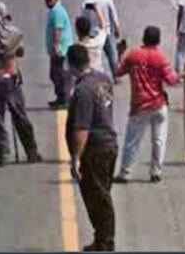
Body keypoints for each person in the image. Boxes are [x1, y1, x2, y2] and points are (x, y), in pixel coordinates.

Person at [66, 45, 118, 252]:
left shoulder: (83, 91)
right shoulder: (103, 79)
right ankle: (101, 238)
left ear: (71, 65)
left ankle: (105, 243)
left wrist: (75, 158)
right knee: (100, 195)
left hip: (95, 149)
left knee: (98, 198)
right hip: (108, 144)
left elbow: (82, 128)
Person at [113, 26, 181, 183]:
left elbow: (118, 71)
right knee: (159, 140)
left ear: (144, 38)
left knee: (132, 141)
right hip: (158, 104)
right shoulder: (161, 58)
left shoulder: (133, 55)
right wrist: (182, 75)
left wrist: (120, 54)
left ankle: (125, 172)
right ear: (158, 40)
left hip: (139, 106)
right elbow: (171, 80)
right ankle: (156, 172)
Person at [0, 2, 42, 165]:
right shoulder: (14, 33)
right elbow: (21, 52)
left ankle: (3, 154)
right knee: (20, 115)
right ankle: (31, 151)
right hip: (11, 76)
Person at [83, 0, 122, 79]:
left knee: (95, 56)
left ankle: (95, 76)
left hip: (92, 33)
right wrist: (117, 29)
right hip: (106, 31)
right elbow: (114, 15)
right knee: (111, 55)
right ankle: (115, 76)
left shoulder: (86, 3)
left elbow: (84, 19)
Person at [44, 0, 75, 109]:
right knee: (55, 74)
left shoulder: (57, 11)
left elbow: (58, 29)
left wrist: (56, 45)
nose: (47, 2)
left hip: (62, 49)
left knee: (61, 75)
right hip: (58, 49)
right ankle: (60, 98)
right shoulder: (53, 11)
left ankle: (65, 99)